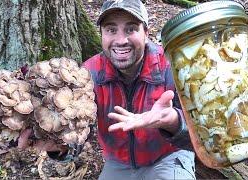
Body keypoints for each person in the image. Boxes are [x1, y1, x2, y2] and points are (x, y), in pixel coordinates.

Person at [82, 0, 196, 179]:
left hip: (167, 156)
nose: (121, 41)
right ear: (102, 34)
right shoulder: (90, 74)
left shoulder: (173, 67)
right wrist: (60, 148)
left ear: (146, 33)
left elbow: (202, 136)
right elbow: (79, 133)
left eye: (131, 29)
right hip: (118, 162)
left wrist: (173, 121)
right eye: (111, 30)